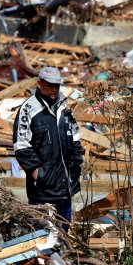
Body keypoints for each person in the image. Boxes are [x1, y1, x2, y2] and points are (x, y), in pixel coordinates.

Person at [13, 66, 83, 232]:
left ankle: (63, 257)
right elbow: (21, 146)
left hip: (66, 185)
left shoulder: (64, 108)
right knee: (44, 235)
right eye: (49, 85)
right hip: (43, 189)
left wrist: (76, 165)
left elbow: (75, 137)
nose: (54, 89)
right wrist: (38, 173)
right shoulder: (28, 109)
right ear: (39, 83)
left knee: (64, 232)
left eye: (57, 85)